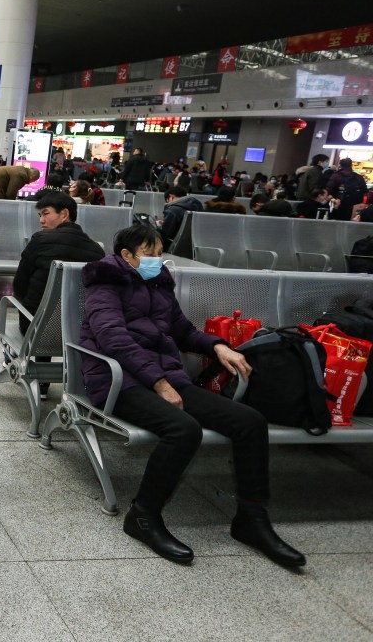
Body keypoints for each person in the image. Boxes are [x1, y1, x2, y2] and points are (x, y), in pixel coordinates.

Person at [79, 223, 305, 567]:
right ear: (126, 256)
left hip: (165, 377)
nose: (157, 261)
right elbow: (114, 340)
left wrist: (220, 347)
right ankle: (143, 515)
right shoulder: (105, 286)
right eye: (149, 254)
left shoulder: (158, 285)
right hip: (119, 383)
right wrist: (159, 383)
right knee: (183, 429)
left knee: (249, 422)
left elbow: (183, 331)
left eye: (160, 254)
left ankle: (251, 519)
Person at [13, 191, 104, 335]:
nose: (41, 220)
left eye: (46, 214)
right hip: (77, 331)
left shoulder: (40, 240)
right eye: (40, 215)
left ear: (64, 214)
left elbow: (19, 284)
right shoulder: (97, 251)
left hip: (35, 327)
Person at [160, 186, 204, 250]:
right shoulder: (199, 207)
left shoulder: (172, 211)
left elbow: (165, 234)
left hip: (175, 248)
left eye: (166, 201)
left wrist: (157, 226)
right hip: (195, 248)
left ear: (171, 197)